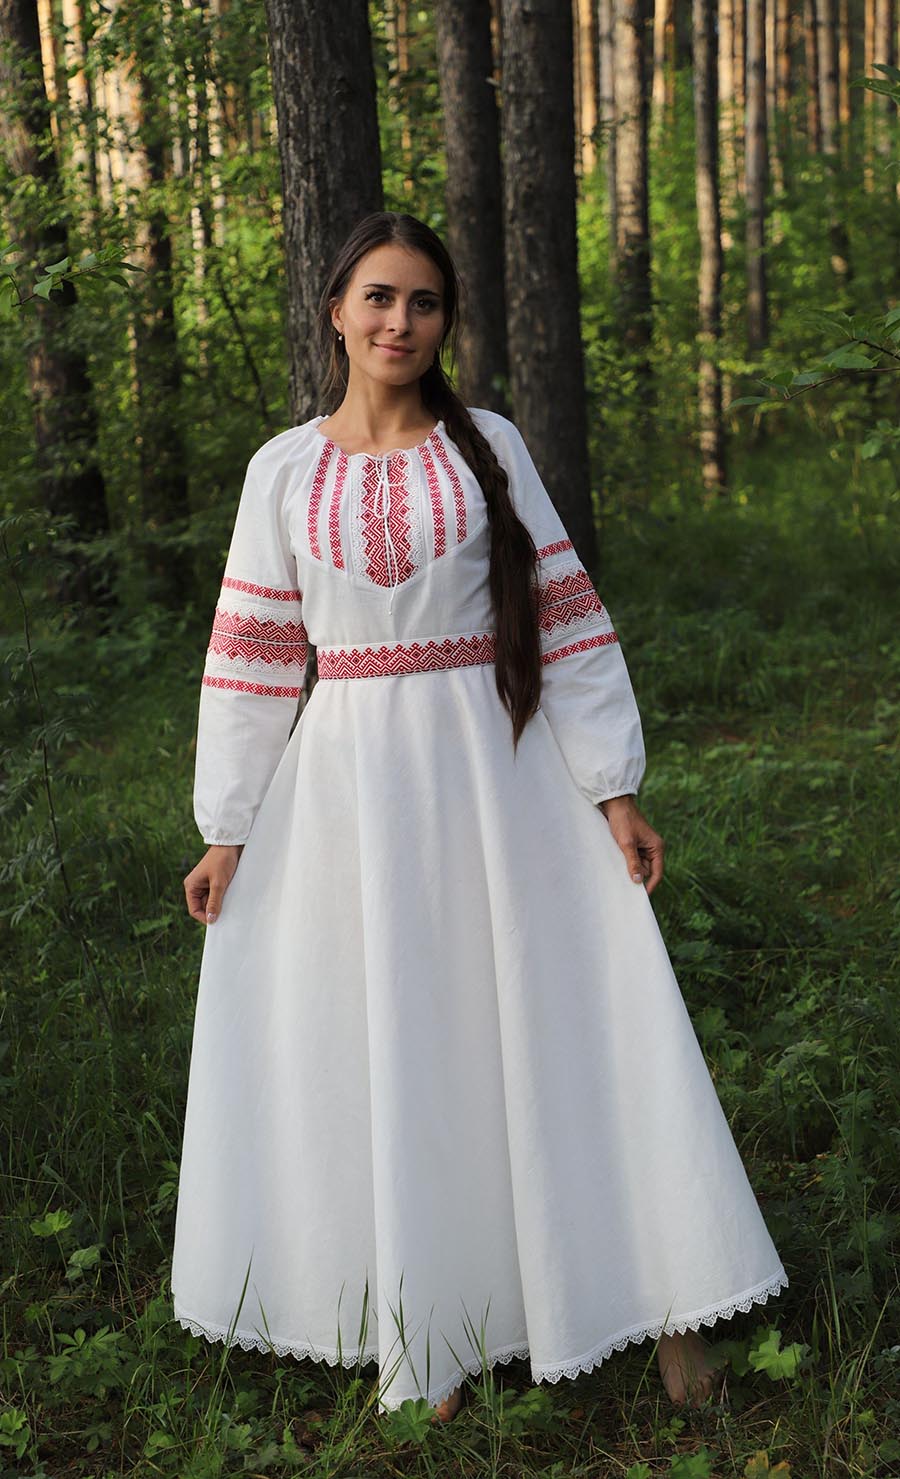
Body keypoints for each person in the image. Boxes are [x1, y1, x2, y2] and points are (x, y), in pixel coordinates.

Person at [174, 211, 787, 1424]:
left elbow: (562, 616)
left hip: (499, 777)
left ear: (446, 321)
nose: (400, 322)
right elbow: (251, 657)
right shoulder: (282, 471)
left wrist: (613, 786)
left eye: (425, 302)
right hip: (350, 791)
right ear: (336, 310)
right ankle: (430, 1337)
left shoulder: (487, 445)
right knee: (393, 1038)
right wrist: (226, 824)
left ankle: (664, 1306)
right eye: (379, 297)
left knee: (570, 1020)